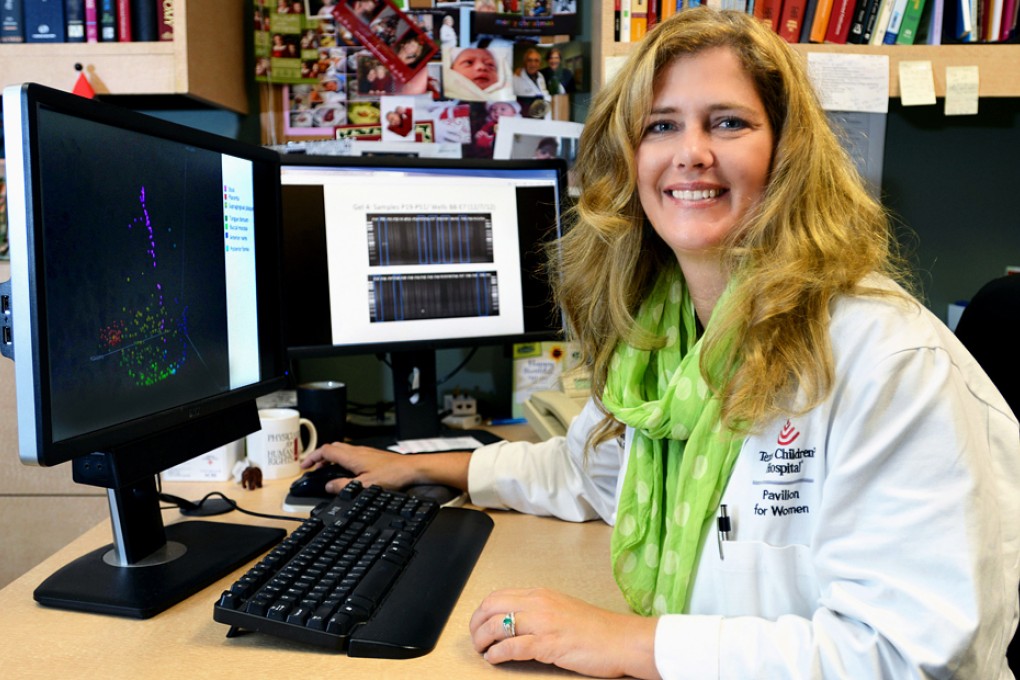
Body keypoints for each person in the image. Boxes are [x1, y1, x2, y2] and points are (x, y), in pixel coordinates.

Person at [301, 7, 1020, 678]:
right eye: (662, 126)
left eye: (729, 122)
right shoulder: (666, 338)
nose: (692, 154)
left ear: (789, 152)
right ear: (630, 158)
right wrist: (431, 468)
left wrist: (626, 641)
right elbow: (589, 473)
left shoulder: (885, 356)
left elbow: (910, 656)